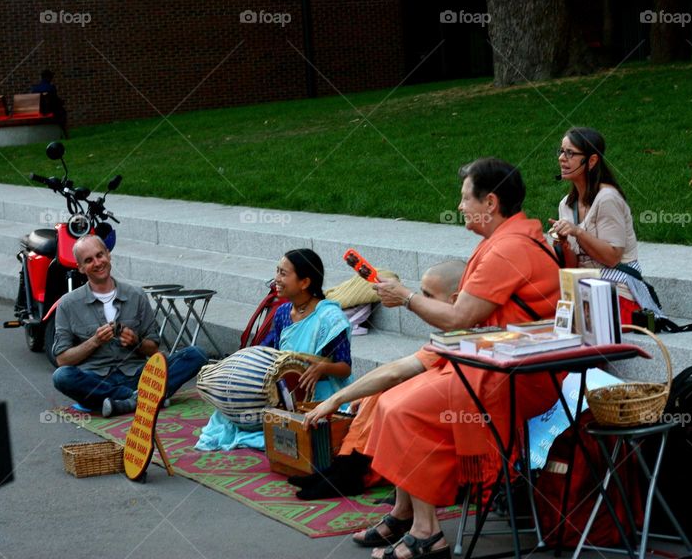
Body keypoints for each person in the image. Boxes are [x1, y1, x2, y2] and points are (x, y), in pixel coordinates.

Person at [304, 158, 561, 559]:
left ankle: (429, 533)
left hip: (517, 375)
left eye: (464, 198)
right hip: (489, 361)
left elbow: (460, 317)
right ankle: (405, 512)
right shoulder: (502, 244)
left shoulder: (509, 249)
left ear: (490, 202)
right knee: (385, 399)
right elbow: (463, 325)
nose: (459, 206)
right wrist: (339, 398)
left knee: (403, 409)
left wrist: (406, 297)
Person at [289, 259, 465, 500]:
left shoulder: (464, 331)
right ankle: (344, 466)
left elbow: (397, 371)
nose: (419, 303)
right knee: (375, 394)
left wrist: (335, 398)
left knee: (388, 396)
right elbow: (402, 369)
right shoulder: (283, 312)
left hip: (461, 411)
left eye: (427, 296)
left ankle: (356, 472)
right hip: (445, 397)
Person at [195, 248, 353, 450]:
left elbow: (345, 368)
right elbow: (276, 357)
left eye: (283, 274)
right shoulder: (283, 312)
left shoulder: (330, 318)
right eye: (277, 271)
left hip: (322, 392)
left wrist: (322, 368)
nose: (276, 279)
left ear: (304, 282)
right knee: (232, 417)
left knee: (305, 430)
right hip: (286, 390)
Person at [52, 235, 208, 417]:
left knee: (196, 354)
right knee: (62, 376)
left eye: (99, 255)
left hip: (138, 376)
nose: (97, 263)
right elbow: (62, 360)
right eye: (88, 260)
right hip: (96, 380)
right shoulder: (68, 304)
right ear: (80, 268)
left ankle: (125, 401)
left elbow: (153, 349)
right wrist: (94, 342)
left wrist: (136, 342)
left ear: (108, 255)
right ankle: (140, 398)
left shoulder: (136, 295)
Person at [548, 126, 661, 326]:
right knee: (543, 312)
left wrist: (577, 232)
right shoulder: (565, 204)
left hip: (617, 292)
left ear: (591, 161)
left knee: (574, 322)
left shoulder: (607, 198)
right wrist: (563, 243)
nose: (562, 158)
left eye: (570, 153)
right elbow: (573, 265)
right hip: (586, 289)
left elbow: (612, 256)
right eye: (561, 151)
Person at [29, 69, 67, 134]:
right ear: (48, 77)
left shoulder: (35, 88)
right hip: (49, 110)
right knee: (62, 113)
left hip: (37, 110)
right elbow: (55, 100)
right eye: (51, 77)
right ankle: (63, 132)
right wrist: (61, 102)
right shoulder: (51, 87)